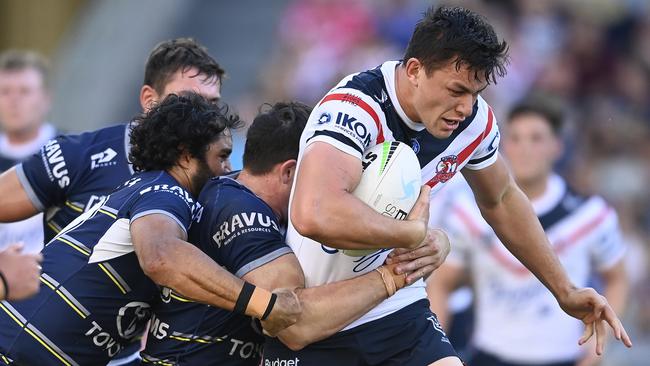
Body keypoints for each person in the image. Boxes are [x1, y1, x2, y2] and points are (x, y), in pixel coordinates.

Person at [263, 6, 632, 366]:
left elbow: (502, 198)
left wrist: (564, 290)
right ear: (415, 71)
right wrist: (412, 234)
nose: (465, 107)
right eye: (456, 90)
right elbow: (314, 213)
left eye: (476, 92)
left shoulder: (473, 121)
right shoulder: (355, 107)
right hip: (318, 309)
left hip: (396, 308)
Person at [0, 93, 301, 366]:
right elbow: (160, 255)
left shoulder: (146, 186)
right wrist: (264, 303)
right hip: (18, 350)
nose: (226, 169)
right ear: (185, 155)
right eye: (221, 156)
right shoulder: (166, 192)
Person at [140, 101, 445, 365]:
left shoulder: (241, 195)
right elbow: (296, 325)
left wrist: (436, 242)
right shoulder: (240, 210)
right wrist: (393, 275)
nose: (324, 188)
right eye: (317, 173)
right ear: (289, 172)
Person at [427, 98, 629, 366]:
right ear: (502, 145)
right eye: (516, 138)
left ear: (557, 147)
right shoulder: (470, 212)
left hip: (564, 358)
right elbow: (441, 283)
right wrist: (439, 352)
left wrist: (594, 351)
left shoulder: (590, 215)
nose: (524, 149)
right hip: (489, 357)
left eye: (536, 139)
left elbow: (617, 278)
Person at [0, 38, 230, 244]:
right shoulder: (78, 156)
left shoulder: (219, 175)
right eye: (189, 100)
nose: (205, 114)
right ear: (149, 100)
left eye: (212, 104)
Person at [0, 50, 57, 252]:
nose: (13, 101)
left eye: (24, 91)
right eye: (5, 91)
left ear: (46, 99)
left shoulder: (70, 152)